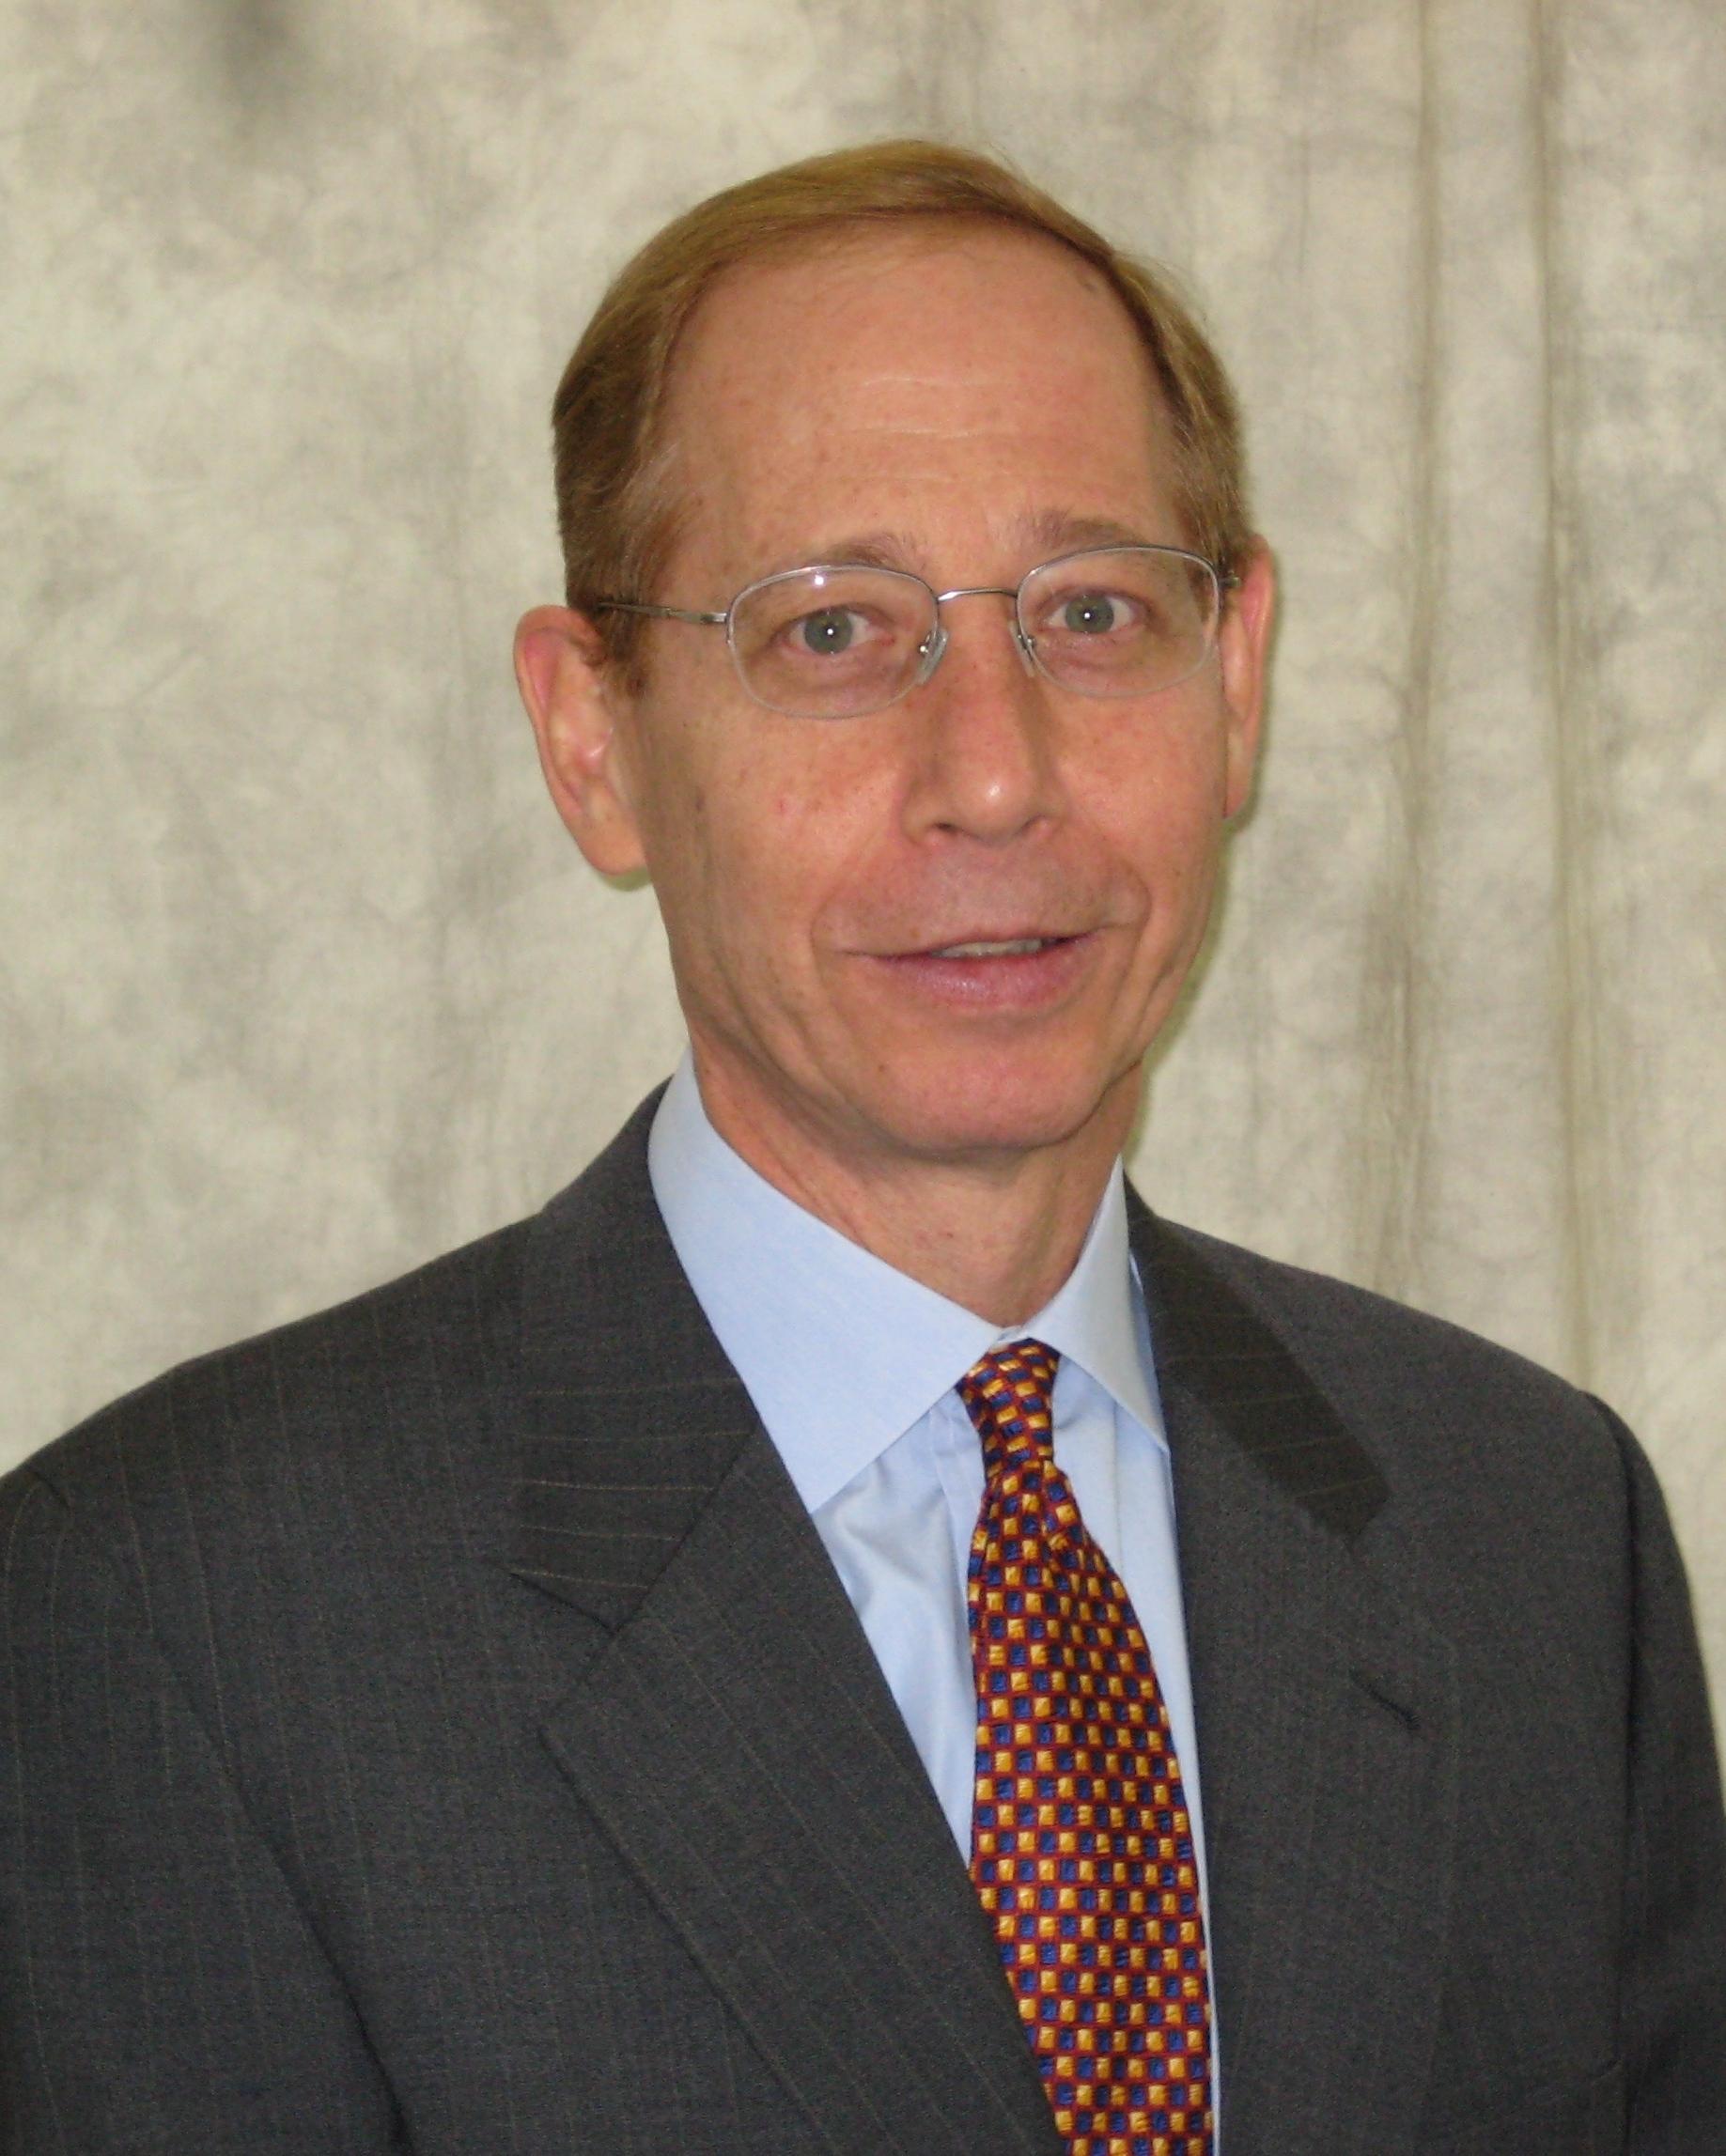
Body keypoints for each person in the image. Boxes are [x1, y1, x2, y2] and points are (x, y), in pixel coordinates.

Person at [2, 140, 1721, 2156]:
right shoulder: (161, 1624)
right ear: (592, 739)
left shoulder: (1531, 1532)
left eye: (1093, 610)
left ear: (1235, 678)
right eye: (830, 630)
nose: (992, 772)